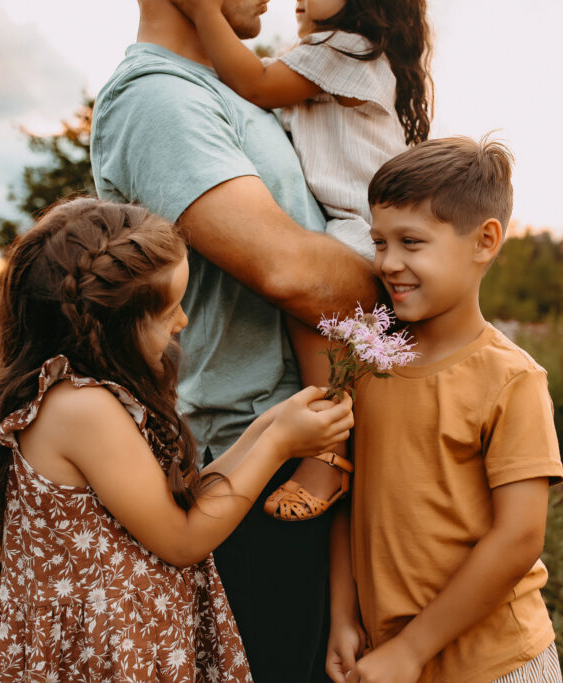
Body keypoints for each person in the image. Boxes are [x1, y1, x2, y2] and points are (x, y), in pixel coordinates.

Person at [90, 1, 379, 680]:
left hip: (308, 443)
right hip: (246, 461)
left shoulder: (230, 94)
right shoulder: (159, 100)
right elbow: (289, 269)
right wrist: (418, 281)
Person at [0, 199, 354, 681]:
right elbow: (182, 538)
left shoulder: (88, 394)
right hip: (105, 651)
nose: (183, 322)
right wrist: (278, 448)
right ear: (110, 325)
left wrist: (268, 427)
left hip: (127, 635)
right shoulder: (81, 408)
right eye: (170, 308)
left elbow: (179, 502)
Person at [171, 0, 431, 520]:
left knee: (311, 308)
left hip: (366, 224)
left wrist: (204, 15)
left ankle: (327, 457)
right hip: (357, 221)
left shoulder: (346, 49)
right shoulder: (326, 54)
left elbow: (259, 84)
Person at [326, 137, 563, 683]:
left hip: (496, 663)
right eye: (379, 242)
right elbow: (347, 495)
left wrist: (412, 649)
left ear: (484, 241)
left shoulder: (512, 379)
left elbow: (520, 537)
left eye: (412, 242)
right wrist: (343, 616)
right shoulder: (366, 362)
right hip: (385, 659)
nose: (388, 262)